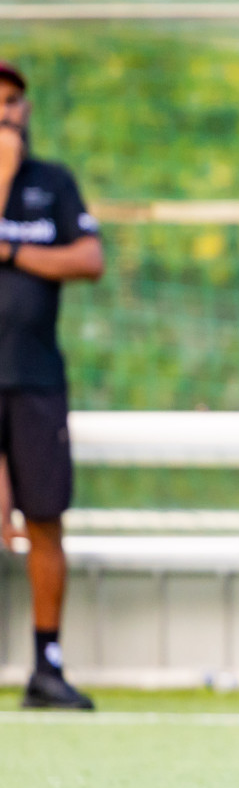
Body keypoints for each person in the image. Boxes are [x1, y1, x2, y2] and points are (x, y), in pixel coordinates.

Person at [0, 61, 104, 710]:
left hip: (37, 380)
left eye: (13, 103)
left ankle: (46, 664)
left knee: (44, 522)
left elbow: (87, 260)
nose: (6, 114)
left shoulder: (54, 183)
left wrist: (10, 251)